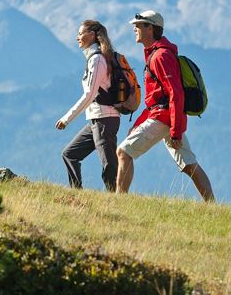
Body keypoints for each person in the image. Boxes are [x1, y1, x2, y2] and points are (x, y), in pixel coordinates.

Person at [116, 10, 215, 201]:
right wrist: (138, 124)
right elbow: (156, 98)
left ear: (150, 28)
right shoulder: (157, 54)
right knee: (189, 164)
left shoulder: (161, 56)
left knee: (123, 152)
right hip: (166, 117)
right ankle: (212, 205)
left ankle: (118, 202)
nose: (134, 29)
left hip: (163, 118)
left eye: (138, 25)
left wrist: (176, 130)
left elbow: (175, 94)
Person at [55, 20, 120, 191]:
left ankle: (118, 200)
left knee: (109, 165)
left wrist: (66, 119)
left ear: (92, 35)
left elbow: (90, 94)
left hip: (105, 118)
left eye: (80, 33)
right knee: (69, 154)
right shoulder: (97, 57)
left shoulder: (97, 59)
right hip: (97, 119)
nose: (77, 37)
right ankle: (77, 195)